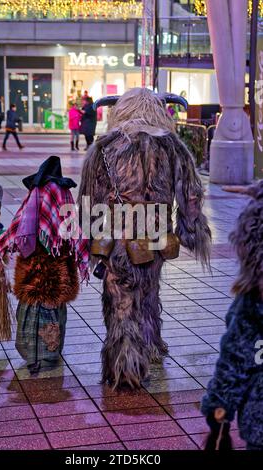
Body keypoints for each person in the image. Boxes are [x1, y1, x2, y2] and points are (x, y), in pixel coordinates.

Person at [78, 87, 211, 389]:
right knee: (149, 288)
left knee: (120, 299)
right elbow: (191, 193)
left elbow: (88, 197)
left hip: (115, 235)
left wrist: (88, 238)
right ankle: (150, 344)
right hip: (155, 233)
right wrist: (189, 229)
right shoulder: (173, 146)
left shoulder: (103, 148)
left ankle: (126, 368)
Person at [0, 156, 89, 374]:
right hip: (60, 270)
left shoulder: (36, 197)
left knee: (34, 312)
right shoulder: (64, 197)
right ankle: (49, 354)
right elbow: (78, 237)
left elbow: (17, 233)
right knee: (54, 312)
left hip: (35, 268)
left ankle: (35, 357)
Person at [201, 180, 263, 451]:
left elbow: (234, 364)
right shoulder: (252, 307)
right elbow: (235, 361)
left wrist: (220, 417)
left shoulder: (253, 305)